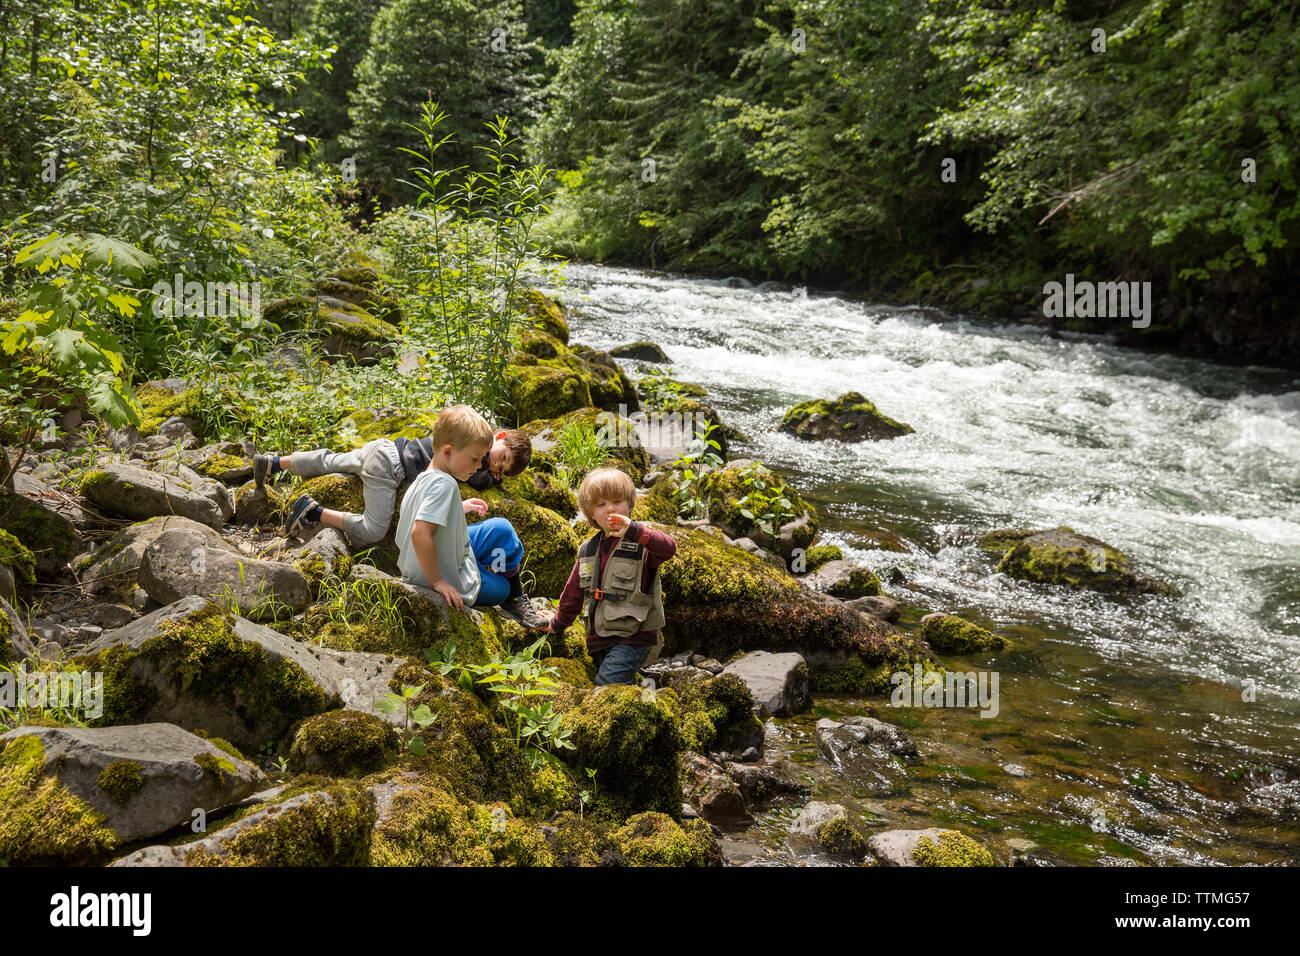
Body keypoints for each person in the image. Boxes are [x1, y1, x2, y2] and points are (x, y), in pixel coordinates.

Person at [392, 404, 549, 628]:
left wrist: (458, 507)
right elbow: (419, 533)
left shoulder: (424, 478)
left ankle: (493, 574)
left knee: (501, 528)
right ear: (448, 452)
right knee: (501, 589)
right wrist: (438, 582)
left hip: (437, 554)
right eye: (475, 459)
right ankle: (511, 596)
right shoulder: (445, 485)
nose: (479, 466)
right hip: (437, 574)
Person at [252, 426, 532, 544]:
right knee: (374, 529)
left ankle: (274, 463)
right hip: (389, 470)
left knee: (330, 460)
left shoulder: (469, 432)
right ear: (500, 435)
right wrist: (491, 480)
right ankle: (313, 512)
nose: (495, 465)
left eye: (502, 470)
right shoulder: (474, 455)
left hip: (384, 449)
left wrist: (495, 474)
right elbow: (473, 476)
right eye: (502, 458)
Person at [538, 467, 676, 686]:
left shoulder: (643, 543)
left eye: (617, 501)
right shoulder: (588, 550)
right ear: (591, 514)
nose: (610, 509)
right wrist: (557, 623)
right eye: (601, 505)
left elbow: (669, 548)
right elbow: (573, 593)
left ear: (629, 505)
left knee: (605, 686)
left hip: (633, 638)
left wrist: (635, 530)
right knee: (618, 686)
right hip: (599, 639)